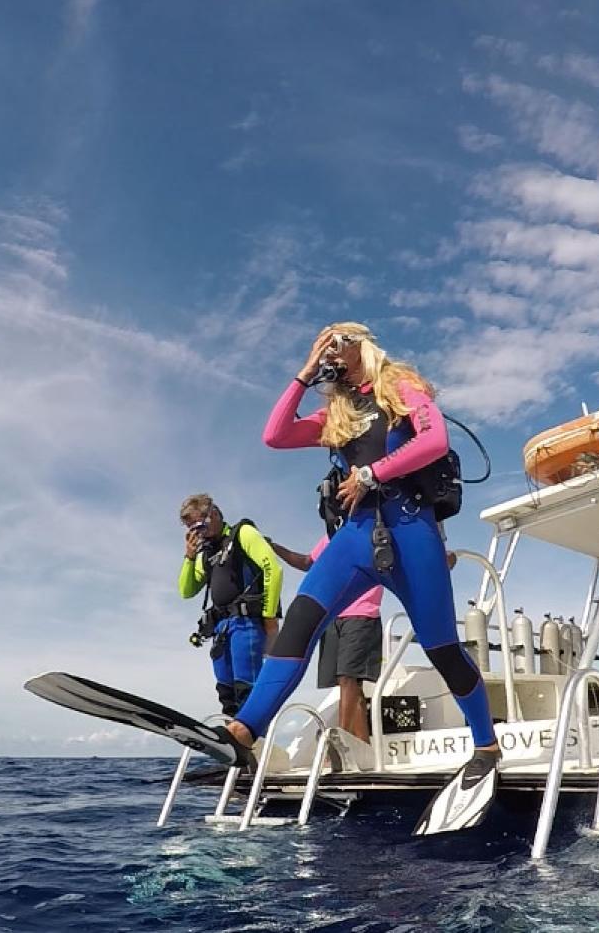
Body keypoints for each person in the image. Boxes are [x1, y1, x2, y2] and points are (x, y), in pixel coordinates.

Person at [217, 323, 500, 782]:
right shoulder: (337, 414)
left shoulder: (399, 387)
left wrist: (371, 474)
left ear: (362, 343)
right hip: (353, 538)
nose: (329, 345)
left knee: (442, 647)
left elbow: (434, 441)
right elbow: (274, 435)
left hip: (410, 531)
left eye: (337, 338)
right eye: (322, 341)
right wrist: (306, 372)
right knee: (299, 626)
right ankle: (244, 730)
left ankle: (486, 744)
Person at [178, 494, 283, 717]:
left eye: (198, 525)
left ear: (213, 514)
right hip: (221, 629)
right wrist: (188, 557)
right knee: (227, 694)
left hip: (246, 624)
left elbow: (273, 570)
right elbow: (186, 591)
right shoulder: (205, 553)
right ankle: (236, 743)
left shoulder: (242, 534)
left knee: (247, 689)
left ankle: (257, 743)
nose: (196, 532)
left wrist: (269, 617)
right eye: (190, 528)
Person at [271, 537, 382, 743]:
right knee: (349, 684)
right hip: (332, 615)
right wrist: (274, 546)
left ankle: (340, 741)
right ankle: (363, 746)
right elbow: (307, 563)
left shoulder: (372, 532)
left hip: (362, 614)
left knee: (347, 677)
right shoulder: (332, 537)